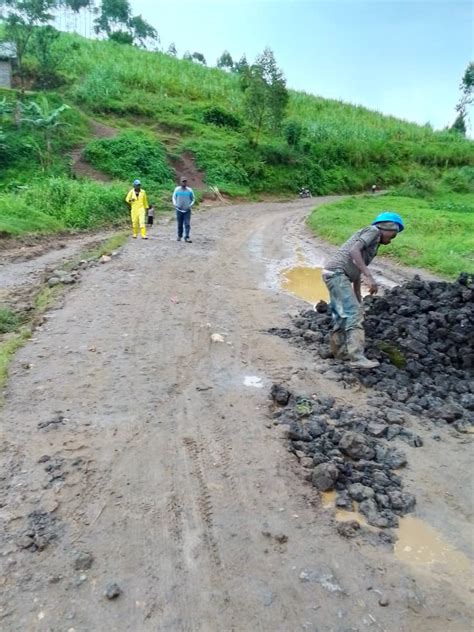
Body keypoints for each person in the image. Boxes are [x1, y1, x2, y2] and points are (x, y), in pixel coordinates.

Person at [322, 212, 405, 369]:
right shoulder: (373, 231)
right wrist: (370, 276)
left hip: (335, 275)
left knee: (342, 315)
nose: (392, 238)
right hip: (338, 274)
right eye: (393, 235)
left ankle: (338, 352)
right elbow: (354, 252)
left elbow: (355, 270)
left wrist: (358, 298)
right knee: (353, 315)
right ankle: (357, 357)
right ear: (387, 228)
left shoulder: (373, 244)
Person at [172, 177, 195, 242]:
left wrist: (190, 205)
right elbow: (174, 197)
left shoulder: (190, 190)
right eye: (183, 181)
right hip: (179, 210)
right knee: (180, 224)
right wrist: (175, 204)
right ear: (180, 182)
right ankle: (179, 236)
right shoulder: (177, 189)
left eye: (185, 181)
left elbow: (193, 198)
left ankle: (187, 237)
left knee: (187, 224)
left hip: (187, 210)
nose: (184, 183)